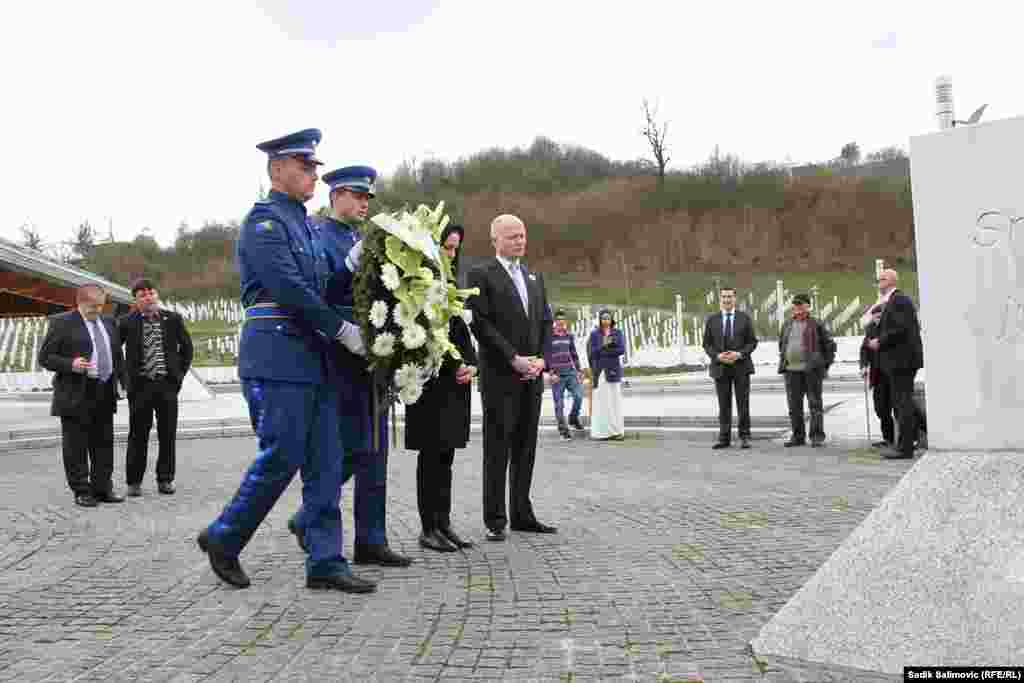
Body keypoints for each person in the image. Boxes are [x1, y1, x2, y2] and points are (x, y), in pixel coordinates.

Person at [197, 129, 372, 593]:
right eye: (304, 166)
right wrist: (342, 330)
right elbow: (289, 289)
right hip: (278, 357)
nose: (313, 174)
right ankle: (224, 536)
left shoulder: (305, 226)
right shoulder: (264, 223)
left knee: (326, 462)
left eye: (314, 167)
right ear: (277, 169)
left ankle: (325, 560)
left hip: (313, 358)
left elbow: (323, 287)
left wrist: (350, 267)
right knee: (283, 455)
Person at [287, 165, 412, 569]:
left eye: (367, 198)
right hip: (338, 354)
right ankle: (309, 518)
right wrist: (349, 266)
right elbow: (320, 294)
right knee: (344, 449)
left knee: (374, 449)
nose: (363, 204)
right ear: (335, 195)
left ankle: (371, 539)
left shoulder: (362, 238)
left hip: (371, 355)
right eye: (357, 196)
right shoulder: (315, 235)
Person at [468, 214, 556, 541]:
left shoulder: (534, 277)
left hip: (531, 375)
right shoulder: (481, 275)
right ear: (495, 240)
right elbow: (481, 324)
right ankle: (495, 519)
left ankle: (522, 513)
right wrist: (513, 358)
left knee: (525, 447)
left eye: (522, 235)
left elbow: (545, 322)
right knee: (498, 449)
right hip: (500, 376)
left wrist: (542, 360)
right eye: (512, 236)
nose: (520, 241)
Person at [405, 223, 479, 553]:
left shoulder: (451, 284)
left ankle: (443, 522)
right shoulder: (418, 286)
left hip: (454, 384)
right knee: (430, 456)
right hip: (430, 386)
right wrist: (456, 364)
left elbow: (461, 333)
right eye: (446, 247)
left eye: (455, 249)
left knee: (446, 456)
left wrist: (472, 364)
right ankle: (428, 527)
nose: (451, 254)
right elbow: (426, 338)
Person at [38, 284, 126, 508]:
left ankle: (103, 488)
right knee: (76, 445)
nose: (98, 310)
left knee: (103, 443)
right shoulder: (62, 322)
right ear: (80, 302)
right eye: (93, 306)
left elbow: (117, 355)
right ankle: (82, 490)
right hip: (75, 392)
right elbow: (45, 357)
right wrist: (71, 364)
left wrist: (123, 383)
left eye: (101, 305)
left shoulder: (108, 322)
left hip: (104, 390)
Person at [118, 279, 194, 496]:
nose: (148, 297)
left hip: (166, 385)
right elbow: (115, 351)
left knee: (167, 434)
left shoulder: (172, 319)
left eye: (151, 293)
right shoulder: (126, 322)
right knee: (137, 434)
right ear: (135, 300)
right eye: (142, 295)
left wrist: (178, 376)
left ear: (156, 295)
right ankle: (134, 482)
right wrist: (124, 379)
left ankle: (165, 479)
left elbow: (187, 349)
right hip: (139, 387)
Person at [866, 269, 924, 460]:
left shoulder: (899, 300)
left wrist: (880, 341)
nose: (878, 282)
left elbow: (900, 329)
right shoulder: (893, 301)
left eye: (881, 279)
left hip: (902, 361)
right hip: (899, 361)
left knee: (902, 404)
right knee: (901, 403)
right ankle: (905, 445)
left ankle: (905, 448)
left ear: (891, 281)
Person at [702, 286, 758, 449]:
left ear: (735, 299)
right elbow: (707, 344)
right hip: (720, 367)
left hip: (741, 367)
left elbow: (752, 342)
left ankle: (744, 436)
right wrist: (717, 356)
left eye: (730, 297)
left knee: (743, 404)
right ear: (720, 299)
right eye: (724, 297)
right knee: (724, 405)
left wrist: (739, 354)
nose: (727, 300)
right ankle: (724, 438)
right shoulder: (712, 320)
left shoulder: (744, 318)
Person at [778, 293, 836, 447]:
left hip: (812, 370)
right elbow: (782, 344)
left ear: (808, 306)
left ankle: (816, 436)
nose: (797, 307)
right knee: (794, 406)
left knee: (815, 404)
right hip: (791, 370)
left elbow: (830, 346)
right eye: (795, 305)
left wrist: (824, 365)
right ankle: (798, 436)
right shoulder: (787, 324)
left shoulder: (817, 324)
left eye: (801, 304)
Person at [544, 308, 584, 439]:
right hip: (557, 376)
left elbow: (573, 354)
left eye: (563, 320)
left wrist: (579, 370)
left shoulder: (569, 336)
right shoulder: (549, 337)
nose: (561, 322)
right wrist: (551, 373)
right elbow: (546, 356)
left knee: (578, 396)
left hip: (570, 373)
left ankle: (573, 418)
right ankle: (563, 430)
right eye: (558, 320)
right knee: (559, 404)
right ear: (555, 321)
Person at [860, 305, 895, 448]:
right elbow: (864, 349)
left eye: (880, 317)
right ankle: (888, 438)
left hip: (893, 373)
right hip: (878, 375)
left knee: (898, 408)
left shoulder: (891, 328)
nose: (877, 320)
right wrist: (864, 366)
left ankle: (903, 438)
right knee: (881, 409)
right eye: (875, 317)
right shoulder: (870, 330)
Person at [587, 310, 626, 441]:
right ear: (600, 320)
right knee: (601, 401)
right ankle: (601, 432)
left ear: (611, 319)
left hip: (613, 370)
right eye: (603, 318)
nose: (605, 321)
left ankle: (616, 431)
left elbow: (621, 349)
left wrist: (605, 350)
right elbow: (592, 352)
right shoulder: (594, 334)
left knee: (614, 402)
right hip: (600, 371)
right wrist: (603, 346)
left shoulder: (617, 333)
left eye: (608, 318)